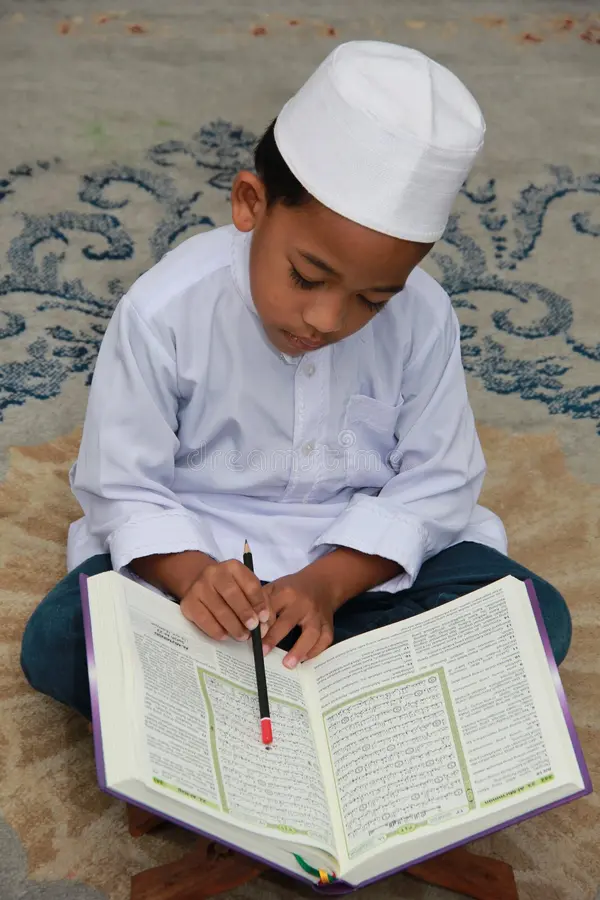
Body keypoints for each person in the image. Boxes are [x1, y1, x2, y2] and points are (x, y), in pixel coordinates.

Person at [21, 41, 571, 722]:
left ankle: (227, 702)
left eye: (373, 299)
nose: (327, 318)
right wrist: (196, 578)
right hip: (199, 574)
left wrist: (326, 583)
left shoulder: (425, 317)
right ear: (251, 204)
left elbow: (439, 483)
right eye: (307, 277)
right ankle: (351, 693)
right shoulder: (163, 311)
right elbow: (121, 486)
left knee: (533, 615)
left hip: (360, 573)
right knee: (59, 641)